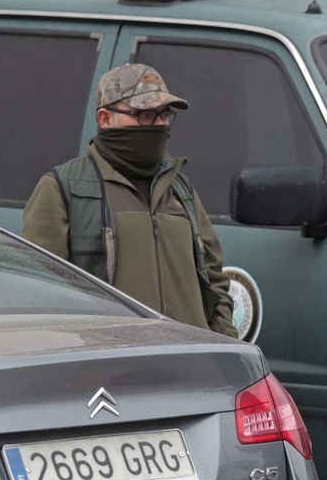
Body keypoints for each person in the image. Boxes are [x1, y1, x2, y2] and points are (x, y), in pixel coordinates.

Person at [24, 63, 235, 337]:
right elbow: (39, 292)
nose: (158, 125)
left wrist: (223, 341)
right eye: (145, 115)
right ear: (105, 119)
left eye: (164, 115)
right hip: (112, 359)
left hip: (188, 358)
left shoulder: (180, 189)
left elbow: (214, 281)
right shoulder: (63, 188)